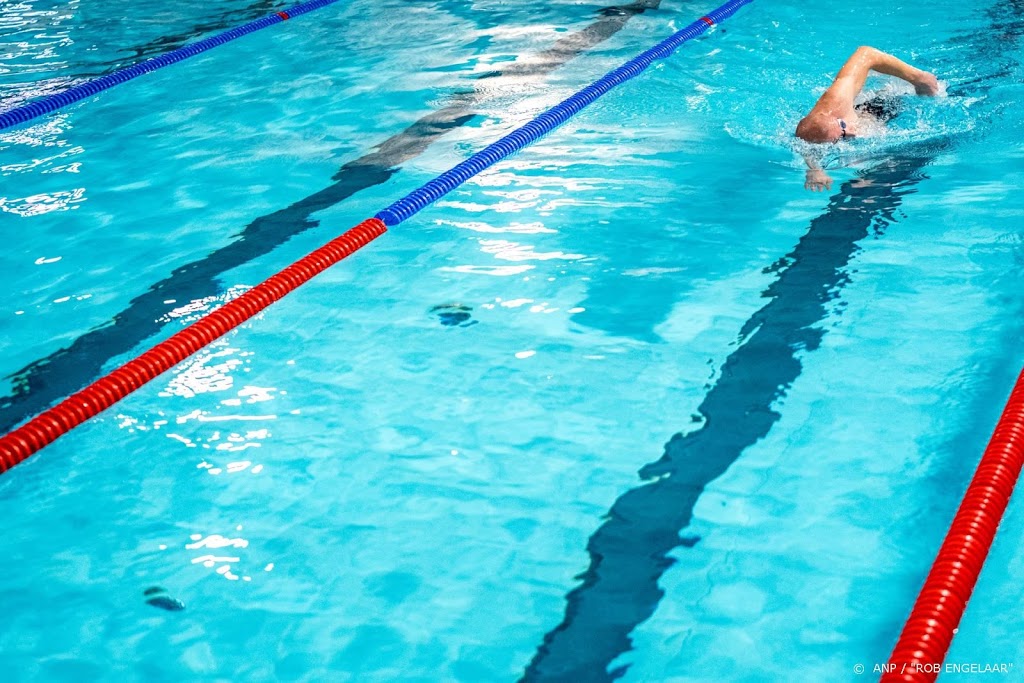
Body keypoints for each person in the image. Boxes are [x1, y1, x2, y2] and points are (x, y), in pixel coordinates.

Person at [796, 46, 940, 191]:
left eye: (844, 132)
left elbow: (866, 53)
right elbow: (809, 148)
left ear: (838, 119)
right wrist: (814, 170)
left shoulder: (837, 98)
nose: (851, 133)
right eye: (841, 138)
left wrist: (918, 78)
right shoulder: (809, 131)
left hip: (884, 103)